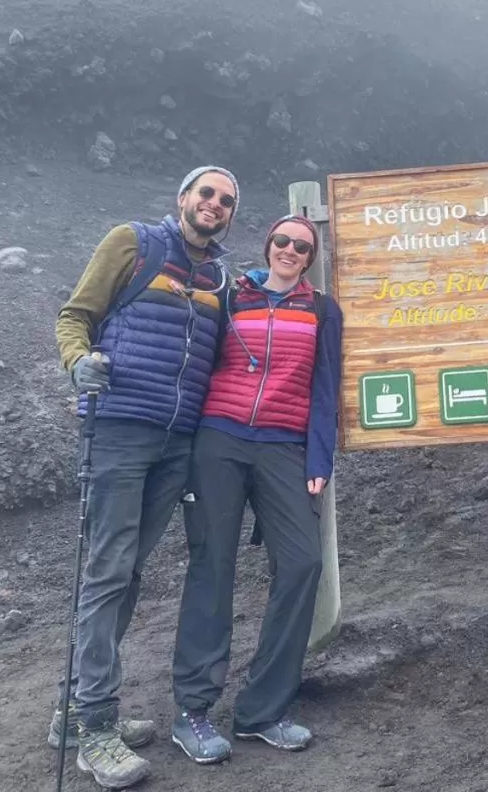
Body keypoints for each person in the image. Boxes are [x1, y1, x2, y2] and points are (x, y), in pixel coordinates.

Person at [49, 166, 239, 789]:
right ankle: (96, 727)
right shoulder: (133, 242)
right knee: (107, 572)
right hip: (120, 428)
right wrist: (80, 363)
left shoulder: (219, 276)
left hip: (177, 441)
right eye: (206, 193)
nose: (215, 204)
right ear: (184, 198)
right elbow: (74, 316)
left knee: (127, 573)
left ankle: (74, 710)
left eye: (226, 200)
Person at [170, 214, 343, 765]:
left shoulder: (322, 309)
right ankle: (193, 710)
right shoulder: (230, 295)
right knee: (212, 566)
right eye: (283, 241)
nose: (291, 250)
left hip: (285, 447)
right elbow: (196, 364)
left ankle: (262, 710)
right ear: (269, 245)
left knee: (302, 563)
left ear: (310, 258)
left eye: (302, 246)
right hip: (217, 441)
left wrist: (320, 457)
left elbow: (326, 387)